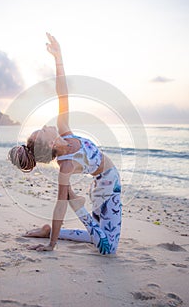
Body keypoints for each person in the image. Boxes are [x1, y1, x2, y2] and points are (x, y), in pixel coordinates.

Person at [8, 33, 122, 255]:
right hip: (110, 185)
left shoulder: (65, 130)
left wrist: (58, 58)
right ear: (48, 142)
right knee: (108, 248)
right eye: (41, 131)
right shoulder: (66, 166)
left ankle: (51, 231)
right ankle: (62, 226)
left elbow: (62, 93)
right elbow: (60, 206)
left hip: (99, 184)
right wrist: (51, 246)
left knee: (98, 236)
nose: (45, 126)